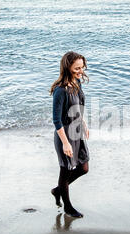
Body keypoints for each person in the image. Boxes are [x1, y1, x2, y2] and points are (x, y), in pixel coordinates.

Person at [50, 51, 90, 218]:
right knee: (65, 170)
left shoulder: (77, 82)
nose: (80, 71)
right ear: (67, 68)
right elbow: (56, 120)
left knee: (84, 167)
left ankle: (57, 190)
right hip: (65, 134)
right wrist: (65, 143)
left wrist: (84, 123)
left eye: (82, 67)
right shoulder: (60, 90)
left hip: (77, 130)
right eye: (77, 68)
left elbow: (79, 106)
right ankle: (67, 207)